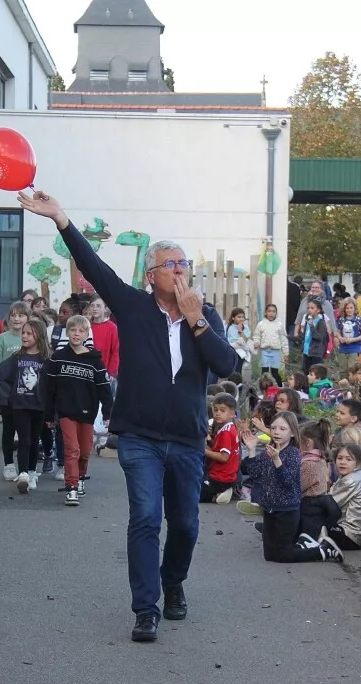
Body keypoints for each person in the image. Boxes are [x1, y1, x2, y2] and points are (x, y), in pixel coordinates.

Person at [20, 189, 238, 643]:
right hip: (138, 435)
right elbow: (94, 269)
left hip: (186, 438)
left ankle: (173, 580)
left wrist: (198, 321)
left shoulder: (206, 315)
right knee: (144, 516)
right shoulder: (134, 307)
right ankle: (146, 607)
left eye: (184, 265)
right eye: (171, 265)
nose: (180, 271)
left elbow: (227, 366)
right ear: (150, 274)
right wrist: (60, 217)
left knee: (185, 524)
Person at [241, 412, 344, 563]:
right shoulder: (269, 451)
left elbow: (288, 483)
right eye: (274, 428)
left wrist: (277, 460)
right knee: (270, 556)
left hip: (287, 510)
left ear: (293, 433)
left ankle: (323, 551)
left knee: (283, 555)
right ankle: (310, 546)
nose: (276, 432)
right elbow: (256, 475)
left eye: (282, 429)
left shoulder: (294, 454)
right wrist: (251, 450)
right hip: (270, 508)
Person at [42, 315, 113, 507]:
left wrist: (107, 413)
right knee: (71, 449)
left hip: (88, 412)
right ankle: (71, 487)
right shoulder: (58, 358)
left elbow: (104, 389)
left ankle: (80, 477)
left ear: (86, 334)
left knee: (84, 451)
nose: (76, 334)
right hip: (66, 412)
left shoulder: (95, 361)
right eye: (73, 330)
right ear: (67, 333)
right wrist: (49, 415)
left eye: (81, 331)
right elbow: (49, 389)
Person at [0, 317, 50, 495]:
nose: (24, 336)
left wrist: (53, 408)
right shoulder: (17, 357)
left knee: (35, 439)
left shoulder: (47, 359)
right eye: (23, 333)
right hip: (20, 405)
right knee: (24, 439)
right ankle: (23, 473)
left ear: (39, 336)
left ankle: (32, 471)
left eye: (29, 333)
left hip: (39, 405)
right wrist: (7, 398)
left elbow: (54, 383)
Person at [0, 302, 30, 481]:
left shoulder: (31, 338)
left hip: (27, 392)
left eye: (20, 315)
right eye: (13, 315)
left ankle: (26, 468)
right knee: (9, 428)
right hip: (6, 390)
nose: (16, 319)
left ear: (28, 318)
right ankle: (8, 464)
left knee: (26, 430)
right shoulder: (2, 339)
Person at [327, 442, 361, 549]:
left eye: (348, 459)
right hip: (354, 530)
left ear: (358, 463)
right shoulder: (348, 476)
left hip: (351, 533)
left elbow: (330, 503)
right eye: (340, 458)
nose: (343, 462)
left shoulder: (351, 480)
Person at [200, 392, 240, 505]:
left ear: (232, 413)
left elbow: (223, 457)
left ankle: (219, 493)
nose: (218, 413)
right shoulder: (227, 428)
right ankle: (221, 492)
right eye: (216, 410)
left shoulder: (226, 432)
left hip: (220, 478)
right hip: (224, 476)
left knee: (193, 494)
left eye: (223, 410)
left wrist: (203, 450)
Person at [88, 297, 120, 387]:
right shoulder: (87, 326)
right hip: (88, 372)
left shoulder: (112, 328)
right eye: (92, 306)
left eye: (98, 306)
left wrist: (112, 372)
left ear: (105, 308)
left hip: (106, 373)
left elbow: (116, 351)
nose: (95, 308)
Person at [253, 303, 287, 385]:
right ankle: (263, 389)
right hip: (264, 351)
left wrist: (286, 353)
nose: (271, 313)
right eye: (269, 311)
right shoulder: (261, 324)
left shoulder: (279, 325)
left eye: (273, 311)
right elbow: (257, 335)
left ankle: (279, 388)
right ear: (265, 313)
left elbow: (283, 339)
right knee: (264, 372)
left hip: (275, 351)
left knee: (275, 372)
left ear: (276, 313)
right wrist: (256, 343)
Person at [332, 298, 361, 378]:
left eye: (351, 308)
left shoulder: (359, 320)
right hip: (343, 348)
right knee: (343, 370)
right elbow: (337, 332)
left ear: (355, 308)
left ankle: (353, 388)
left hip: (354, 348)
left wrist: (352, 340)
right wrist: (340, 337)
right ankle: (344, 388)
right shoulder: (341, 320)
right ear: (344, 309)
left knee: (352, 369)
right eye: (347, 308)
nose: (349, 310)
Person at [299, 298, 330, 377]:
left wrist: (312, 326)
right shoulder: (308, 321)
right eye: (308, 308)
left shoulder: (321, 322)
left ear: (318, 310)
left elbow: (319, 337)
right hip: (307, 351)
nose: (309, 310)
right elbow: (306, 336)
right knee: (306, 372)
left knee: (315, 374)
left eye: (312, 308)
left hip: (316, 353)